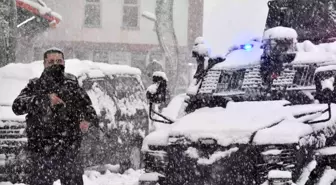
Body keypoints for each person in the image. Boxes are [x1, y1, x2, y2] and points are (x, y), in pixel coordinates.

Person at [12, 48, 98, 185]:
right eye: (51, 61)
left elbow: (89, 109)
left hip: (69, 150)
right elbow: (17, 106)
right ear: (44, 64)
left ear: (64, 62)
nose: (56, 64)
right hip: (41, 151)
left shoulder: (72, 84)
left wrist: (85, 120)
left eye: (59, 61)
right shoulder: (35, 85)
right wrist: (45, 100)